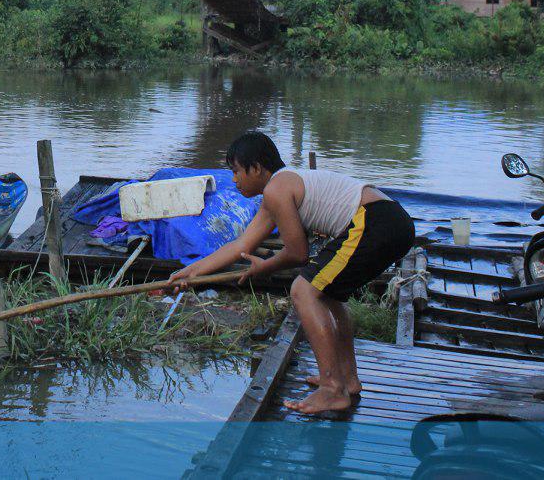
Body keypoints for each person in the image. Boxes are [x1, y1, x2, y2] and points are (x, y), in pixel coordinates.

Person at [168, 132, 415, 415]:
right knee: (330, 296)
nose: (234, 180)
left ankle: (332, 389)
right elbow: (240, 246)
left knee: (303, 290)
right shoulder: (278, 191)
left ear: (257, 168)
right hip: (392, 221)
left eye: (236, 171)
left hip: (375, 221)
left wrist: (266, 265)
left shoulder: (277, 189)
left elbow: (298, 253)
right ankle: (347, 379)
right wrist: (189, 273)